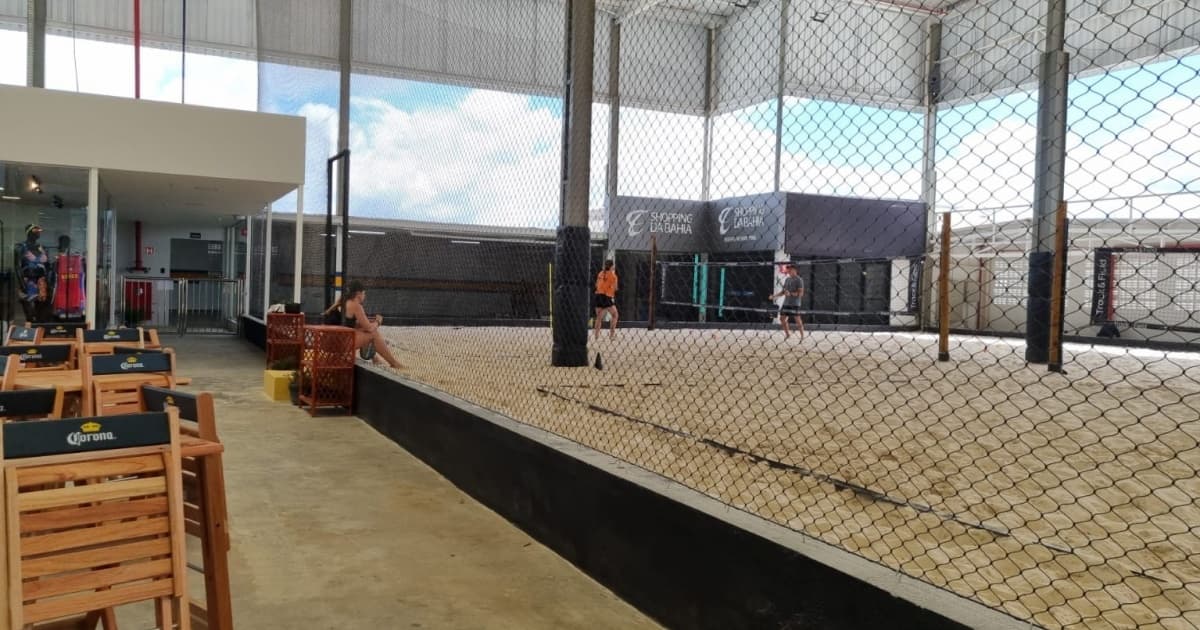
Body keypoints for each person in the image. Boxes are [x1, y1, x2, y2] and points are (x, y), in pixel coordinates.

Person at [323, 281, 403, 369]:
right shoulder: (356, 305)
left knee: (363, 329)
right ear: (359, 294)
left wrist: (367, 323)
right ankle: (394, 363)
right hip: (339, 345)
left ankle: (375, 358)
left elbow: (349, 324)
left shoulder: (344, 301)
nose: (365, 296)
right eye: (364, 293)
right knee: (373, 334)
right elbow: (370, 329)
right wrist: (378, 322)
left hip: (328, 344)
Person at [15, 224, 51, 323]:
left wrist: (48, 282)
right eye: (36, 231)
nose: (38, 233)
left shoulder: (42, 248)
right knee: (30, 315)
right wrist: (22, 284)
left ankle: (39, 334)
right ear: (29, 232)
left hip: (42, 283)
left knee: (41, 315)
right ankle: (29, 335)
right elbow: (17, 267)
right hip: (28, 282)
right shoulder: (20, 247)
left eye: (39, 231)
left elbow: (48, 266)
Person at [769, 263, 805, 340]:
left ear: (795, 270)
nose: (788, 270)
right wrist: (774, 296)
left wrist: (791, 294)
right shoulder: (787, 279)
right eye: (788, 269)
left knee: (797, 320)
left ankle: (802, 336)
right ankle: (788, 334)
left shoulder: (799, 280)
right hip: (786, 303)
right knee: (782, 319)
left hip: (795, 304)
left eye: (790, 269)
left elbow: (801, 294)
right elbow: (783, 292)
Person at [593, 260, 619, 340]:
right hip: (606, 296)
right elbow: (615, 288)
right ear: (612, 266)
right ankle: (611, 335)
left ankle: (596, 336)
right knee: (615, 315)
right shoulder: (613, 276)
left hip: (598, 295)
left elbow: (596, 284)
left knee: (599, 317)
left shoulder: (600, 273)